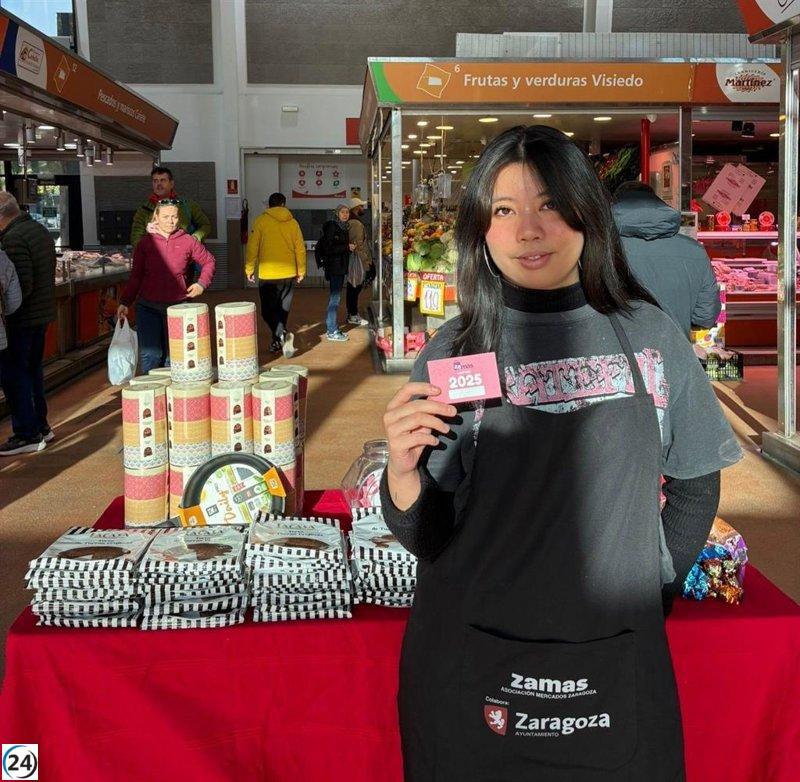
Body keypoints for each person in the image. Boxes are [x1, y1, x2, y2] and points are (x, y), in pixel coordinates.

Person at [380, 126, 742, 781]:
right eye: (504, 210)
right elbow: (429, 534)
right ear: (480, 230)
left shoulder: (649, 335)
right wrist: (402, 473)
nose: (527, 231)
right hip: (469, 661)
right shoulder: (457, 351)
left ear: (586, 212)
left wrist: (649, 586)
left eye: (548, 204)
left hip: (614, 660)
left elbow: (695, 483)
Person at [117, 200, 215, 373]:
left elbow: (209, 261)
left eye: (174, 216)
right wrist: (125, 302)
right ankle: (152, 394)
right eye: (166, 217)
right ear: (156, 217)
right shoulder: (145, 244)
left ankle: (175, 397)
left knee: (175, 357)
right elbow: (136, 276)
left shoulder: (187, 241)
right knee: (151, 355)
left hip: (179, 308)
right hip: (148, 307)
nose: (171, 221)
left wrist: (201, 283)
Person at [613, 181, 721, 338]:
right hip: (673, 353)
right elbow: (705, 317)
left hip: (616, 355)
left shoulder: (601, 248)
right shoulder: (695, 250)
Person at [0, 193, 57, 455]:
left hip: (23, 319)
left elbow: (20, 286)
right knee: (33, 371)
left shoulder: (13, 238)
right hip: (41, 314)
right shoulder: (37, 229)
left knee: (17, 376)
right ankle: (41, 425)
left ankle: (27, 432)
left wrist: (7, 313)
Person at [245, 192, 305, 357]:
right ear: (284, 205)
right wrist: (301, 270)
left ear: (269, 205)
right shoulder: (293, 223)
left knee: (267, 311)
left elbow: (252, 248)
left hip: (269, 275)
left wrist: (249, 269)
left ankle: (282, 335)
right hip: (289, 275)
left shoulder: (261, 221)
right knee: (281, 311)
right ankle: (278, 341)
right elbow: (299, 248)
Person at [130, 166, 212, 249]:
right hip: (156, 258)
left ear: (171, 184)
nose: (159, 184)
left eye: (163, 180)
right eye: (155, 181)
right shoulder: (144, 210)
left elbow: (205, 225)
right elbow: (135, 237)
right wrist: (148, 246)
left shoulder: (187, 205)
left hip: (186, 258)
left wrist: (194, 239)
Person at [317, 204, 354, 342]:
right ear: (337, 213)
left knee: (335, 298)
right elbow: (328, 248)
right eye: (342, 212)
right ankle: (332, 330)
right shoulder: (333, 227)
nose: (345, 215)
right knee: (335, 299)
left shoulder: (343, 227)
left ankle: (332, 328)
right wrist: (346, 247)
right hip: (335, 267)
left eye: (347, 212)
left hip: (339, 267)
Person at [345, 197, 373, 326]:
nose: (363, 209)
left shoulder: (351, 221)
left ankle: (352, 313)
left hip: (354, 259)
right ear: (356, 208)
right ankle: (353, 314)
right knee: (354, 287)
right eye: (361, 207)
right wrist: (367, 262)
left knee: (353, 287)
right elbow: (359, 245)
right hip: (358, 260)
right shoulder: (355, 223)